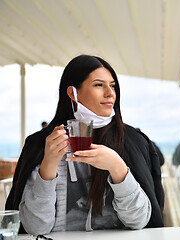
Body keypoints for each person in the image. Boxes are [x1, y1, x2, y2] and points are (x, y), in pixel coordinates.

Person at [6, 55, 164, 235]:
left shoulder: (133, 141)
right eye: (98, 85)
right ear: (73, 93)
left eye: (112, 85)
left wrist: (117, 167)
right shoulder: (41, 144)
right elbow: (35, 228)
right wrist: (48, 165)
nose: (110, 93)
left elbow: (139, 221)